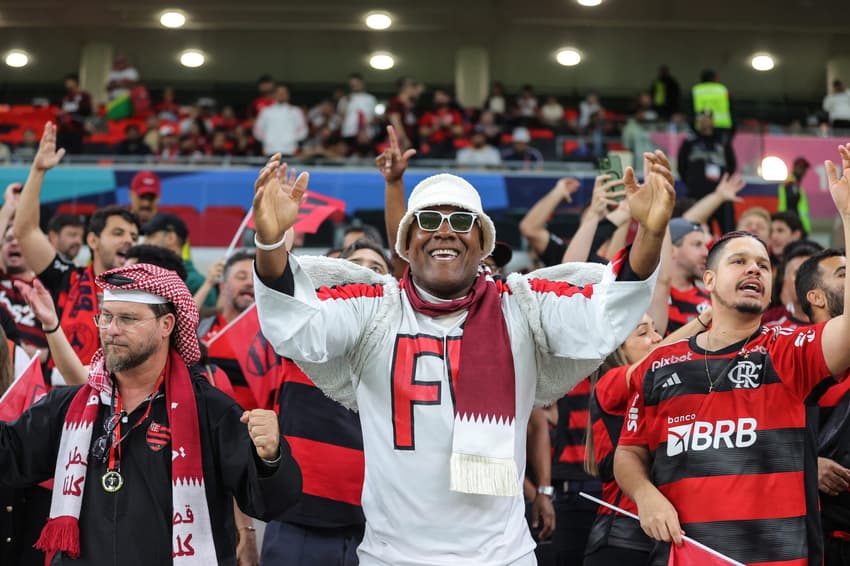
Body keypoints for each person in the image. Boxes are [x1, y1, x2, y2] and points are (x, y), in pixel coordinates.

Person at [251, 146, 674, 564]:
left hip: (501, 555)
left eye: (462, 221)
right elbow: (296, 325)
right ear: (408, 242)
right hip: (392, 556)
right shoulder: (374, 308)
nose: (445, 231)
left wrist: (651, 233)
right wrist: (269, 242)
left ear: (482, 241)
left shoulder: (523, 306)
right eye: (429, 220)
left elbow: (603, 316)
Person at [614, 141, 850, 566]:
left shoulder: (789, 350)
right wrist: (645, 495)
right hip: (685, 558)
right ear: (708, 279)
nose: (754, 269)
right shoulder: (661, 366)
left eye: (763, 264)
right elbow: (629, 452)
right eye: (739, 262)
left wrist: (849, 216)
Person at [0, 262, 301, 565]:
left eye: (128, 319)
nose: (112, 330)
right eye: (106, 317)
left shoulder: (210, 410)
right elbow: (8, 456)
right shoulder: (68, 407)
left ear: (166, 325)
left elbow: (270, 503)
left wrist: (271, 457)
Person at [261, 243, 386, 566]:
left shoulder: (401, 349)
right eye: (355, 264)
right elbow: (278, 286)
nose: (366, 272)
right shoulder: (304, 335)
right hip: (299, 521)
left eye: (377, 267)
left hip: (378, 527)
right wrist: (273, 241)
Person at [14, 123, 140, 365]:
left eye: (134, 237)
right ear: (92, 240)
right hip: (64, 397)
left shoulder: (141, 295)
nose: (128, 240)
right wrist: (38, 170)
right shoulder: (68, 279)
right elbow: (26, 232)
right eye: (118, 232)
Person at [197, 250, 260, 410]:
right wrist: (208, 283)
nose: (250, 283)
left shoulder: (271, 337)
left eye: (255, 278)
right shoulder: (203, 328)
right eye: (241, 277)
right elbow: (181, 319)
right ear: (223, 287)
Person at [677, 110, 737, 234]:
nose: (705, 120)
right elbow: (681, 166)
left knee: (728, 231)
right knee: (697, 230)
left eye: (708, 117)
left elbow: (732, 164)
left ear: (713, 120)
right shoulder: (690, 141)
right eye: (701, 117)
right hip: (697, 195)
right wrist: (692, 182)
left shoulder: (723, 140)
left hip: (721, 195)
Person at [142, 213, 217, 308]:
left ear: (171, 238)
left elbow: (206, 321)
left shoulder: (196, 282)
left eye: (151, 236)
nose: (145, 242)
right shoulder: (148, 276)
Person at [666, 218, 710, 335]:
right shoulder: (650, 297)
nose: (705, 252)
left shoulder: (712, 302)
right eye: (697, 245)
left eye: (704, 245)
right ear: (671, 250)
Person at [253, 84, 308, 157]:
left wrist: (291, 140)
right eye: (279, 93)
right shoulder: (266, 111)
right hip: (270, 151)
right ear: (275, 95)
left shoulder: (296, 111)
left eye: (283, 93)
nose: (281, 95)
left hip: (290, 151)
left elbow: (303, 130)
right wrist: (268, 140)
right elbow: (257, 130)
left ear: (288, 95)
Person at [57, 74, 92, 155]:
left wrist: (69, 110)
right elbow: (60, 110)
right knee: (61, 151)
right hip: (64, 129)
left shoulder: (84, 95)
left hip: (78, 128)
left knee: (76, 151)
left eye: (69, 82)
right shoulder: (65, 97)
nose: (67, 84)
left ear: (75, 82)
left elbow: (87, 110)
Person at [338, 73, 376, 145]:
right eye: (352, 84)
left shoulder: (370, 98)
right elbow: (341, 117)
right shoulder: (344, 99)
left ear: (362, 83)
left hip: (367, 134)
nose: (354, 85)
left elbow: (373, 117)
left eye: (356, 83)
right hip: (349, 132)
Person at [691, 69, 731, 136]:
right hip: (721, 125)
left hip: (702, 125)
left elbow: (690, 108)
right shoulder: (722, 89)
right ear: (714, 78)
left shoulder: (696, 90)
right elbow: (731, 107)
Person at [778, 157, 812, 234]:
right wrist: (795, 227)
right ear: (794, 167)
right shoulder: (790, 184)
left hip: (799, 227)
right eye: (800, 168)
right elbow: (791, 207)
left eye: (804, 169)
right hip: (794, 227)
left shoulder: (796, 185)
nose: (802, 171)